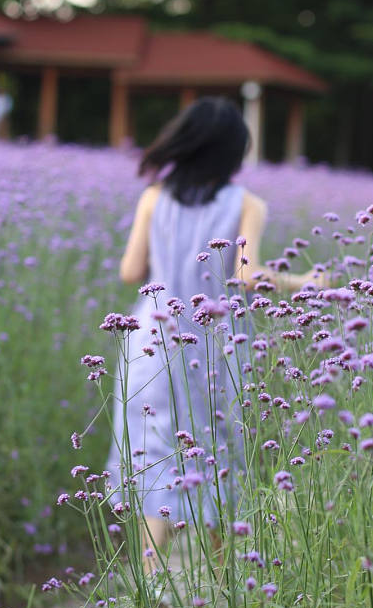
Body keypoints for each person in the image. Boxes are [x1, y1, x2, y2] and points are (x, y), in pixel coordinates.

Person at [106, 96, 324, 573]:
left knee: (152, 452)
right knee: (220, 452)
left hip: (152, 338)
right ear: (233, 151)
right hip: (213, 344)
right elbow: (247, 277)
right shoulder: (247, 204)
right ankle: (227, 588)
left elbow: (129, 272)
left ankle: (151, 583)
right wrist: (302, 284)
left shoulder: (153, 197)